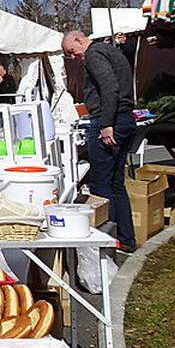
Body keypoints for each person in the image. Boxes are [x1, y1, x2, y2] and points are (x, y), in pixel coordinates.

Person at [63, 30, 139, 252]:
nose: (74, 56)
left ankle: (108, 241)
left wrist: (106, 124)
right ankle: (124, 238)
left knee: (101, 184)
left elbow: (109, 87)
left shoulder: (94, 54)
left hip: (111, 121)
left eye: (72, 51)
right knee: (116, 183)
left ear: (79, 40)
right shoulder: (110, 51)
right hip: (124, 118)